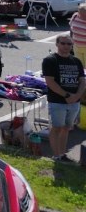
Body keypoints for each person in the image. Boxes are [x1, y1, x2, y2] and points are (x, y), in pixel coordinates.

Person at [43, 34, 85, 162]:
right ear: (57, 44)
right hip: (57, 102)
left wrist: (77, 96)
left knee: (66, 128)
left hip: (74, 102)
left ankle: (62, 154)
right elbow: (50, 82)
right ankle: (56, 155)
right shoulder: (50, 60)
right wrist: (66, 95)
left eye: (69, 44)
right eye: (63, 43)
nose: (66, 46)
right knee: (56, 128)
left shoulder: (76, 61)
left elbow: (82, 81)